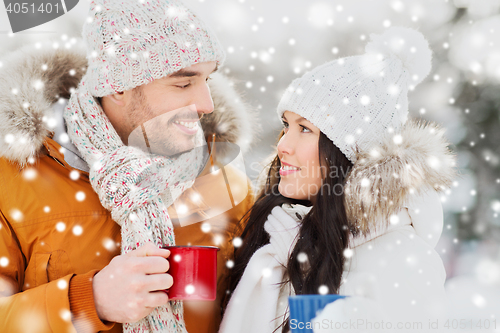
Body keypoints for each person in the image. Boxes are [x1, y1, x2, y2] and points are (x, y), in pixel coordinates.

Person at [0, 0, 255, 332]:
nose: (206, 103)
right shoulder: (13, 181)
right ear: (117, 87)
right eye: (183, 83)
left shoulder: (227, 186)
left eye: (207, 79)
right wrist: (89, 300)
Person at [219, 27, 456, 333]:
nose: (282, 145)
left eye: (305, 129)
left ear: (348, 153)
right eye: (286, 125)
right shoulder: (279, 235)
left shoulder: (404, 261)